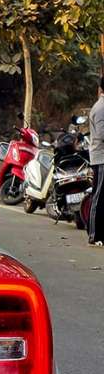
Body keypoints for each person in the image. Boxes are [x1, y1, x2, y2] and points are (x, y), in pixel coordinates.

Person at [88, 75, 104, 246]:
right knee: (99, 197)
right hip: (101, 158)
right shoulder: (101, 108)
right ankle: (94, 234)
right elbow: (101, 134)